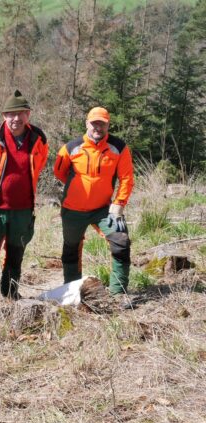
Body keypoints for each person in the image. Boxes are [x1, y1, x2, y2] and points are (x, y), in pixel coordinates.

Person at [0, 90, 48, 303]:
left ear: (28, 114)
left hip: (23, 209)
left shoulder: (38, 137)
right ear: (4, 116)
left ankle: (10, 293)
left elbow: (39, 164)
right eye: (11, 114)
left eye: (21, 113)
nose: (16, 118)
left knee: (16, 254)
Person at [54, 107, 134, 299]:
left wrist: (119, 202)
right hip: (73, 210)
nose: (98, 127)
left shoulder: (119, 147)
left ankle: (119, 293)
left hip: (104, 209)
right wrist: (78, 189)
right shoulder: (70, 148)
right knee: (71, 249)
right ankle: (72, 293)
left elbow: (127, 177)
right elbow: (59, 172)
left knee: (121, 242)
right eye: (94, 123)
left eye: (102, 123)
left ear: (108, 125)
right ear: (87, 123)